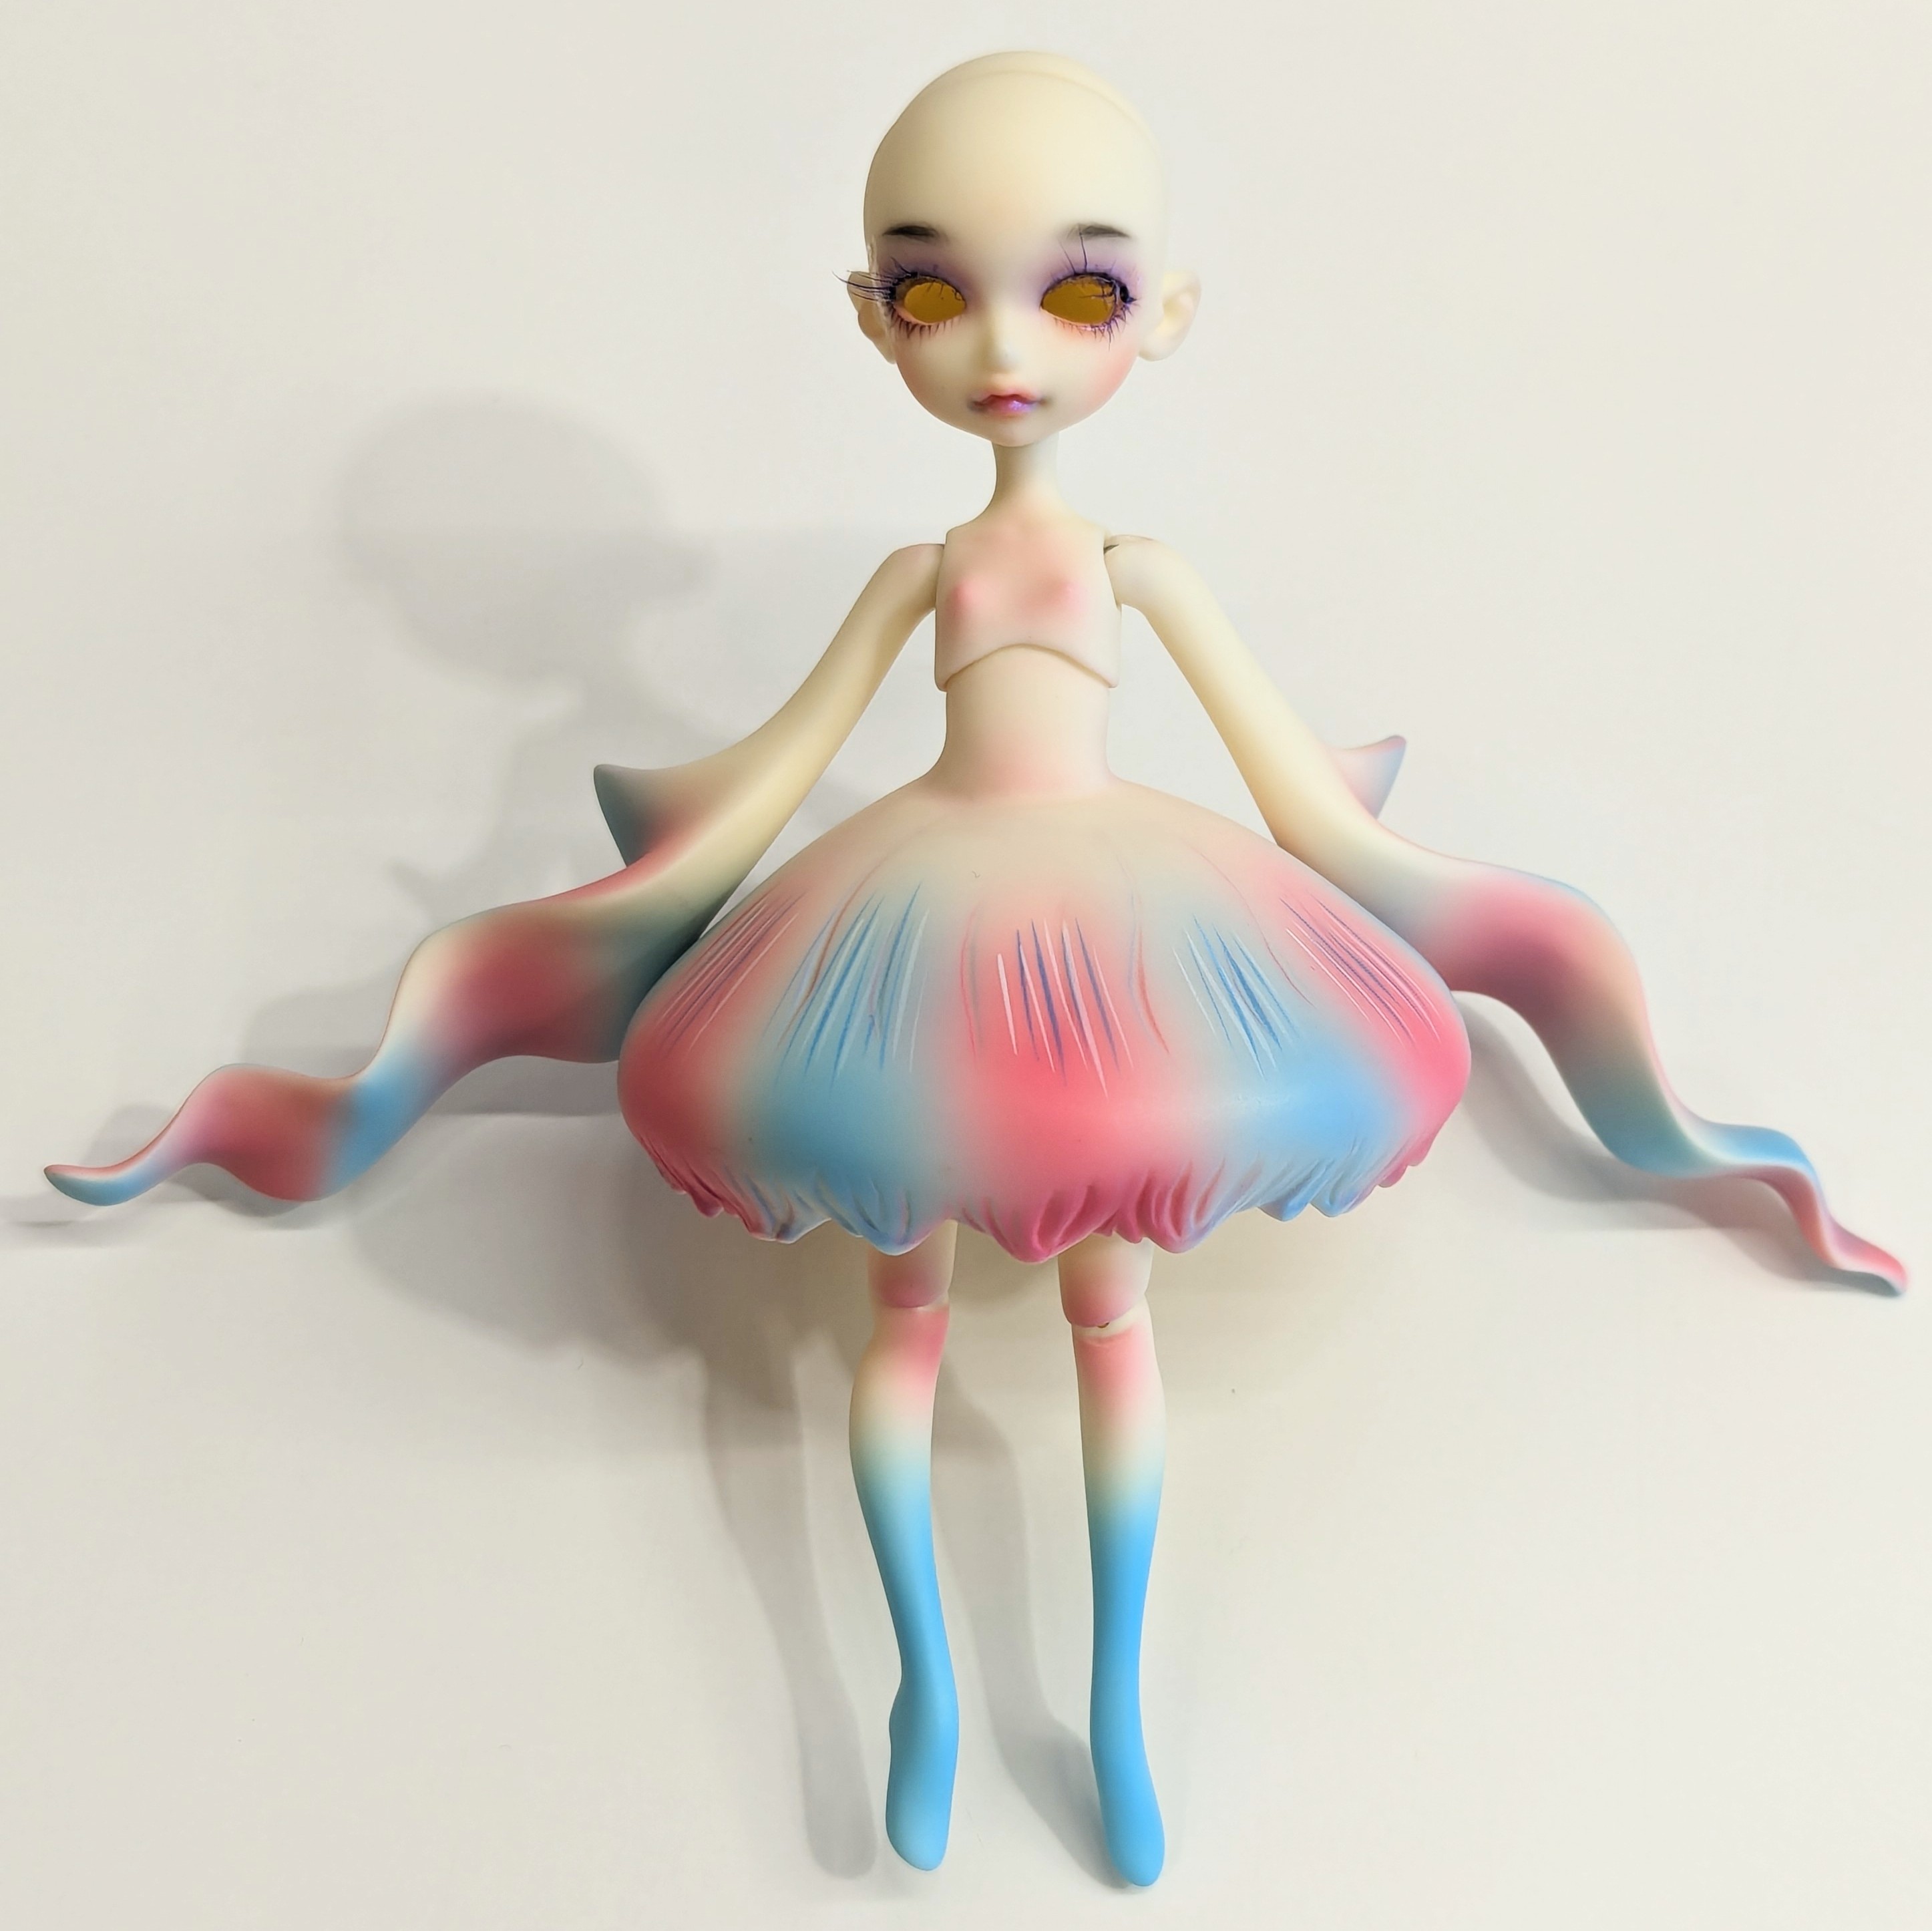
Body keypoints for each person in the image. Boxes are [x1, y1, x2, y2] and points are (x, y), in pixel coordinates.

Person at [47, 51, 1903, 1889]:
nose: (1004, 344)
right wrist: (652, 904)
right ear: (873, 315)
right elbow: (773, 773)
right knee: (909, 1324)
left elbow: (1289, 791)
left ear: (1168, 311)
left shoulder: (1140, 567)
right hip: (910, 931)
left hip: (1122, 923)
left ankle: (1114, 1713)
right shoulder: (916, 572)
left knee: (1104, 1317)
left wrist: (1402, 903)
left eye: (1079, 291)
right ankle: (926, 1693)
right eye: (934, 292)